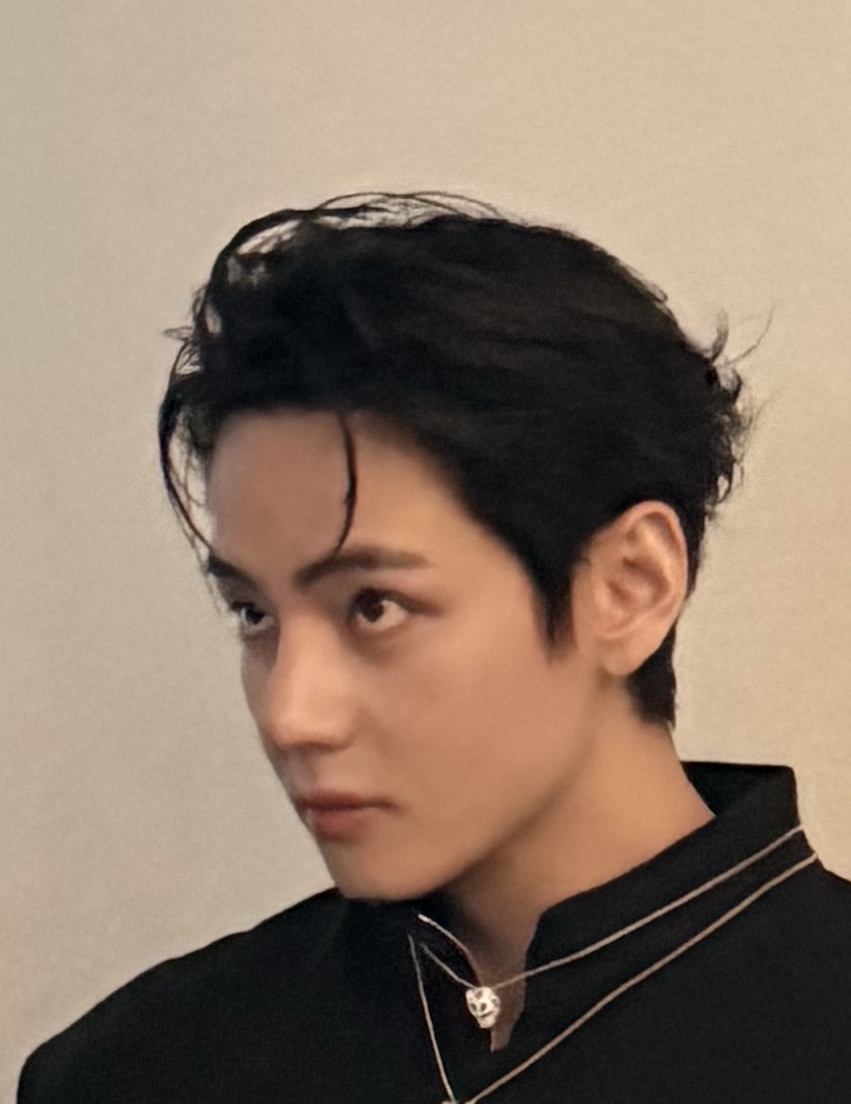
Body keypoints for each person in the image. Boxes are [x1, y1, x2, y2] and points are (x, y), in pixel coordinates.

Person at [18, 192, 851, 1103]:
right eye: (253, 614)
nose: (291, 716)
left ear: (629, 586)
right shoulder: (139, 1070)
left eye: (374, 607)